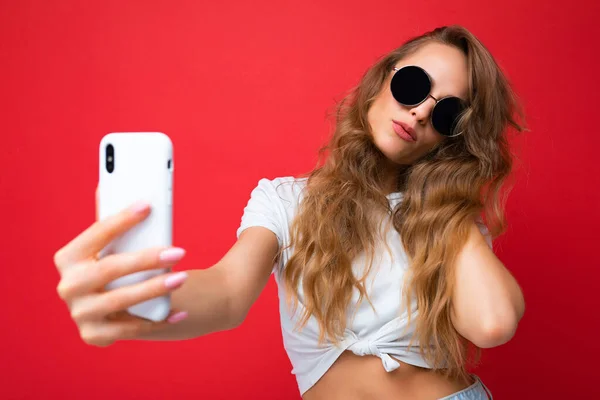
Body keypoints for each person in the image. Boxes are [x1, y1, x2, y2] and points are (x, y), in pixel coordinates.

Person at [54, 25, 526, 399]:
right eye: (412, 85)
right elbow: (226, 292)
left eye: (446, 114)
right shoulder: (286, 200)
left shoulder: (449, 224)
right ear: (380, 82)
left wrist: (450, 189)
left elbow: (492, 323)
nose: (421, 112)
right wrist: (138, 305)